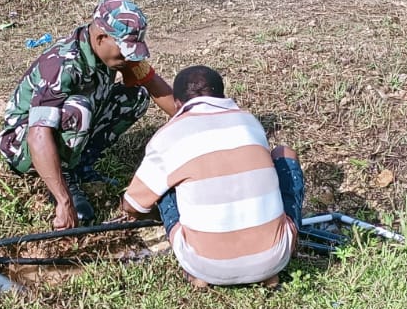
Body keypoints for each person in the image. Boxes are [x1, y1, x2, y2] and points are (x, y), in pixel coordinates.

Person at [0, 0, 177, 229]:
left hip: (68, 123)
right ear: (101, 38)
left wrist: (198, 119)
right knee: (78, 109)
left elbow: (154, 85)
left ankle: (81, 164)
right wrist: (64, 202)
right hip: (23, 144)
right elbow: (38, 135)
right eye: (125, 52)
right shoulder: (63, 64)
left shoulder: (115, 54)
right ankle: (64, 178)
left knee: (136, 97)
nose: (128, 58)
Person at [118, 65, 303, 288]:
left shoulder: (168, 136)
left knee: (165, 182)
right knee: (285, 153)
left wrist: (155, 214)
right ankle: (268, 272)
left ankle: (200, 275)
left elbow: (131, 205)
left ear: (177, 104)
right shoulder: (250, 123)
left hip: (205, 266)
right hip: (275, 259)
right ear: (222, 97)